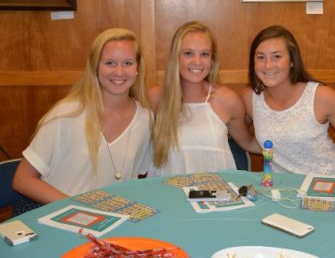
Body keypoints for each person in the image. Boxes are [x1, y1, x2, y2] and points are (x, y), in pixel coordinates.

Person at [13, 28, 153, 204]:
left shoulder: (145, 119)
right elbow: (22, 180)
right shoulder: (66, 114)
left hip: (108, 222)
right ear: (95, 67)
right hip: (55, 214)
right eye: (110, 63)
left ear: (138, 68)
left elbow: (134, 180)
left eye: (127, 63)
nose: (119, 72)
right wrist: (78, 208)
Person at [147, 21, 260, 176]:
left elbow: (249, 143)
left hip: (216, 194)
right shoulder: (155, 98)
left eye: (204, 54)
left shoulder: (227, 100)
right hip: (166, 193)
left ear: (212, 60)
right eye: (188, 53)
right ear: (175, 57)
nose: (197, 62)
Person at [241, 25, 335, 176]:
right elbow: (249, 140)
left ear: (292, 60)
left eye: (277, 56)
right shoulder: (250, 98)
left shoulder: (321, 96)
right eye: (261, 57)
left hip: (331, 182)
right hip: (284, 189)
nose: (268, 65)